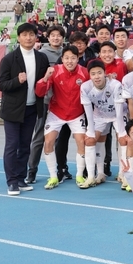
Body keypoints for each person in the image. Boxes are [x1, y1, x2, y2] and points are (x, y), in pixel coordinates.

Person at [0, 22, 50, 196]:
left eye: (31, 34)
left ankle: (21, 178)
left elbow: (42, 83)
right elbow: (1, 84)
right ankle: (12, 181)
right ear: (18, 37)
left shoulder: (41, 58)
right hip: (13, 110)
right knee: (12, 145)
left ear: (36, 37)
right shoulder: (9, 59)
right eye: (25, 35)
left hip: (32, 108)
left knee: (25, 146)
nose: (28, 38)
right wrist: (17, 81)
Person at [35, 45, 90, 190]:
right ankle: (53, 176)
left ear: (78, 59)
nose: (69, 61)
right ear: (62, 59)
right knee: (48, 142)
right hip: (56, 113)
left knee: (81, 142)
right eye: (66, 58)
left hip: (76, 114)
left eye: (73, 58)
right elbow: (40, 92)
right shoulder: (55, 71)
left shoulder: (85, 72)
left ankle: (79, 175)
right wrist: (45, 78)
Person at [26, 25, 65, 184]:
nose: (56, 38)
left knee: (59, 139)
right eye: (52, 35)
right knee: (39, 137)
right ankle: (32, 170)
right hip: (45, 102)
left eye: (59, 35)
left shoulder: (67, 53)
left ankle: (60, 170)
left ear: (63, 38)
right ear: (48, 38)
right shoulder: (41, 54)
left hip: (62, 103)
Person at [81, 59, 128, 188]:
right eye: (93, 74)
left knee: (123, 140)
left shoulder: (115, 85)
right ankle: (95, 176)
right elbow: (88, 110)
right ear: (89, 75)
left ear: (105, 73)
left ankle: (123, 174)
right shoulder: (85, 87)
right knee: (90, 140)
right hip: (100, 115)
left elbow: (119, 109)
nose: (97, 76)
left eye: (99, 73)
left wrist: (121, 132)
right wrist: (91, 132)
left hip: (118, 114)